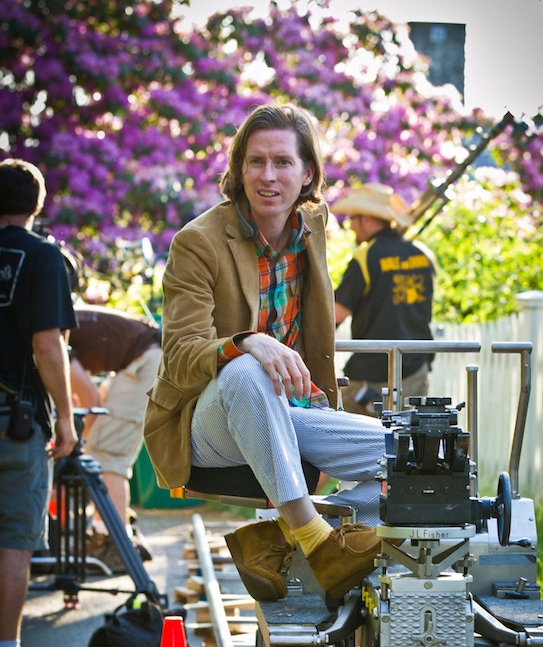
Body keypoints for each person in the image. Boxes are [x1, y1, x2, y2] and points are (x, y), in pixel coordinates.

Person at [144, 103, 387, 604]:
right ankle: (318, 540)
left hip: (288, 411)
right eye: (255, 162)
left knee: (419, 457)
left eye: (282, 162)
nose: (267, 176)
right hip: (209, 420)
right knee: (248, 368)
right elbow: (181, 355)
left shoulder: (313, 223)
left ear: (308, 174)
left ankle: (276, 538)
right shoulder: (198, 242)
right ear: (238, 169)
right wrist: (247, 340)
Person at [0, 158, 78, 647]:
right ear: (38, 203)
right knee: (13, 541)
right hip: (16, 423)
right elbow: (48, 344)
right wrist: (68, 417)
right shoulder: (45, 259)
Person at [68, 303, 161, 572]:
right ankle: (109, 534)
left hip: (145, 361)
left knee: (107, 456)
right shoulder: (60, 314)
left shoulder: (46, 331)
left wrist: (79, 443)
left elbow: (88, 398)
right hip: (139, 360)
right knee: (105, 454)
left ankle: (117, 546)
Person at [331, 183, 436, 414]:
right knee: (407, 442)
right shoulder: (423, 255)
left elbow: (336, 315)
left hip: (372, 376)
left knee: (359, 443)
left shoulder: (365, 257)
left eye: (353, 219)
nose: (351, 227)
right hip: (416, 370)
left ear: (367, 219)